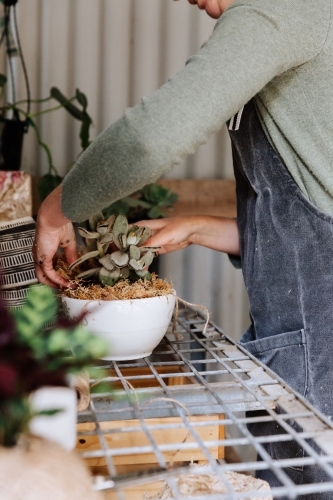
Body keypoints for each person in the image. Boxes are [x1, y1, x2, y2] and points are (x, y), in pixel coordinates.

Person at [34, 0, 333, 496]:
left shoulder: (274, 12)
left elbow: (150, 139)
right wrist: (200, 227)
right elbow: (313, 220)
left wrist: (56, 210)